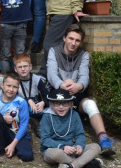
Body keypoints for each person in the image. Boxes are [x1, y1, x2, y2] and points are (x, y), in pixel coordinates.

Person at [47, 24, 115, 156]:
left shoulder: (84, 55)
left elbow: (84, 77)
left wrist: (78, 86)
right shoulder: (54, 51)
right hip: (58, 93)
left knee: (90, 104)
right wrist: (63, 84)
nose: (73, 43)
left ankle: (103, 139)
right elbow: (51, 75)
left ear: (80, 42)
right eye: (71, 38)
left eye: (77, 40)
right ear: (64, 38)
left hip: (76, 93)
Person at [41, 88, 103, 168]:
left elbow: (80, 134)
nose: (61, 107)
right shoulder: (47, 117)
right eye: (57, 103)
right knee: (56, 154)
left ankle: (71, 167)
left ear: (70, 104)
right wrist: (62, 147)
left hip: (71, 149)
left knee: (96, 147)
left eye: (65, 103)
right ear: (51, 104)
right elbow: (45, 140)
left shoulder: (74, 115)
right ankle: (86, 163)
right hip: (54, 150)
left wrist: (79, 145)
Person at [0, 71, 34, 161]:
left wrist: (13, 144)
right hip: (3, 134)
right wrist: (2, 119)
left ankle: (12, 147)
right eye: (8, 86)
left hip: (18, 135)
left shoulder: (21, 102)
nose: (11, 89)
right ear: (2, 85)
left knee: (27, 156)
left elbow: (24, 125)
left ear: (18, 88)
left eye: (14, 87)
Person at [14, 53, 49, 137]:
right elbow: (12, 98)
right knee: (23, 109)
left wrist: (43, 103)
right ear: (15, 69)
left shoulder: (37, 79)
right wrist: (28, 100)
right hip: (22, 108)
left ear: (30, 67)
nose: (23, 69)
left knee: (51, 110)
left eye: (25, 66)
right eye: (20, 67)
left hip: (37, 108)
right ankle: (25, 127)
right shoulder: (14, 81)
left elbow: (46, 95)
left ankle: (41, 127)